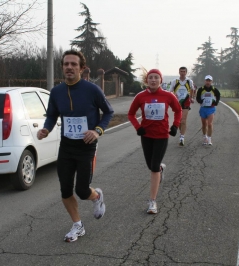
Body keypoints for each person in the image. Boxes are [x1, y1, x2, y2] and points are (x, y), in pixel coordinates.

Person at [37, 50, 114, 242]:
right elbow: (52, 115)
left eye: (73, 64)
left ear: (81, 68)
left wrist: (97, 130)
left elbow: (108, 112)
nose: (69, 67)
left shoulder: (92, 90)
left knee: (81, 190)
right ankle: (78, 225)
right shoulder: (56, 92)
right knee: (65, 189)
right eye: (66, 64)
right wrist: (46, 129)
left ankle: (96, 197)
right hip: (66, 146)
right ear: (62, 67)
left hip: (86, 146)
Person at [128, 69, 182, 214]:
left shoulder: (168, 95)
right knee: (151, 165)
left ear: (161, 80)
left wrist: (175, 125)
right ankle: (160, 169)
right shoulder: (141, 96)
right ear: (147, 80)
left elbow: (178, 110)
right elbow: (131, 114)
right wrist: (138, 127)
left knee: (153, 167)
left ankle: (152, 201)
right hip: (146, 135)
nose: (153, 80)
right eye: (150, 78)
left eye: (156, 78)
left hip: (162, 135)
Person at [168, 66, 195, 146]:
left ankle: (182, 137)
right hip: (177, 102)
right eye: (181, 71)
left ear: (186, 73)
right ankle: (181, 133)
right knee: (179, 120)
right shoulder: (175, 81)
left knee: (183, 120)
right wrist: (173, 96)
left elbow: (192, 90)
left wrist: (192, 98)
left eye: (184, 71)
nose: (182, 73)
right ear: (179, 72)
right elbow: (170, 91)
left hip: (186, 102)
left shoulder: (189, 81)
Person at [196, 75, 221, 145]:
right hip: (203, 108)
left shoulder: (214, 90)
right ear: (205, 81)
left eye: (209, 81)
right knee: (204, 125)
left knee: (209, 124)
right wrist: (200, 101)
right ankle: (205, 137)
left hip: (211, 108)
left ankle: (209, 139)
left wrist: (216, 102)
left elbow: (218, 96)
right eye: (207, 81)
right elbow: (197, 97)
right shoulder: (201, 89)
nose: (208, 82)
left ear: (211, 81)